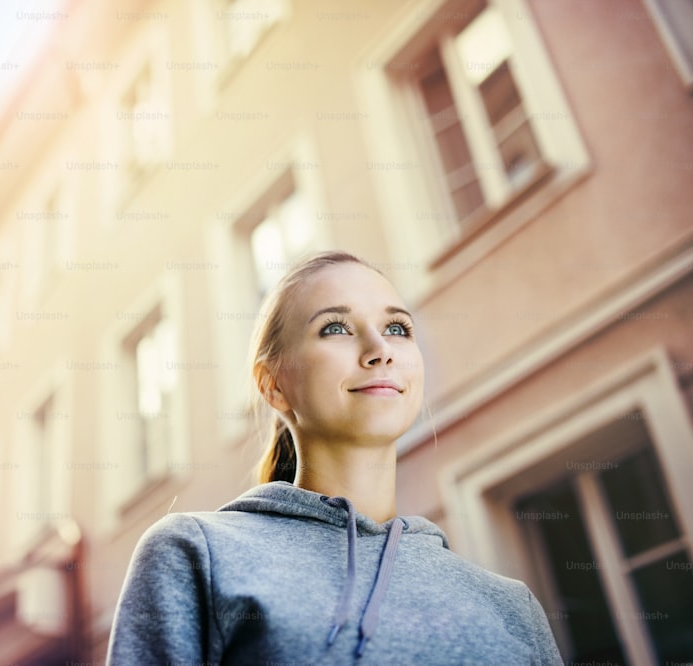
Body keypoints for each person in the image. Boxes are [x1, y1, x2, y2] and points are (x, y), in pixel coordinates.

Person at [106, 250, 564, 664]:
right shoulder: (197, 553)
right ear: (273, 385)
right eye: (336, 328)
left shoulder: (510, 606)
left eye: (397, 328)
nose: (381, 350)